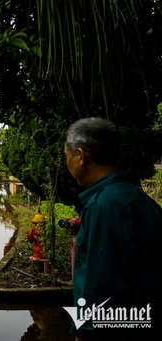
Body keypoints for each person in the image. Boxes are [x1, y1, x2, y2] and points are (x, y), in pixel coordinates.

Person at [64, 117, 162, 340]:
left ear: (80, 156)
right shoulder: (140, 200)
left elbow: (99, 285)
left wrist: (84, 334)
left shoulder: (103, 207)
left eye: (66, 157)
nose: (67, 164)